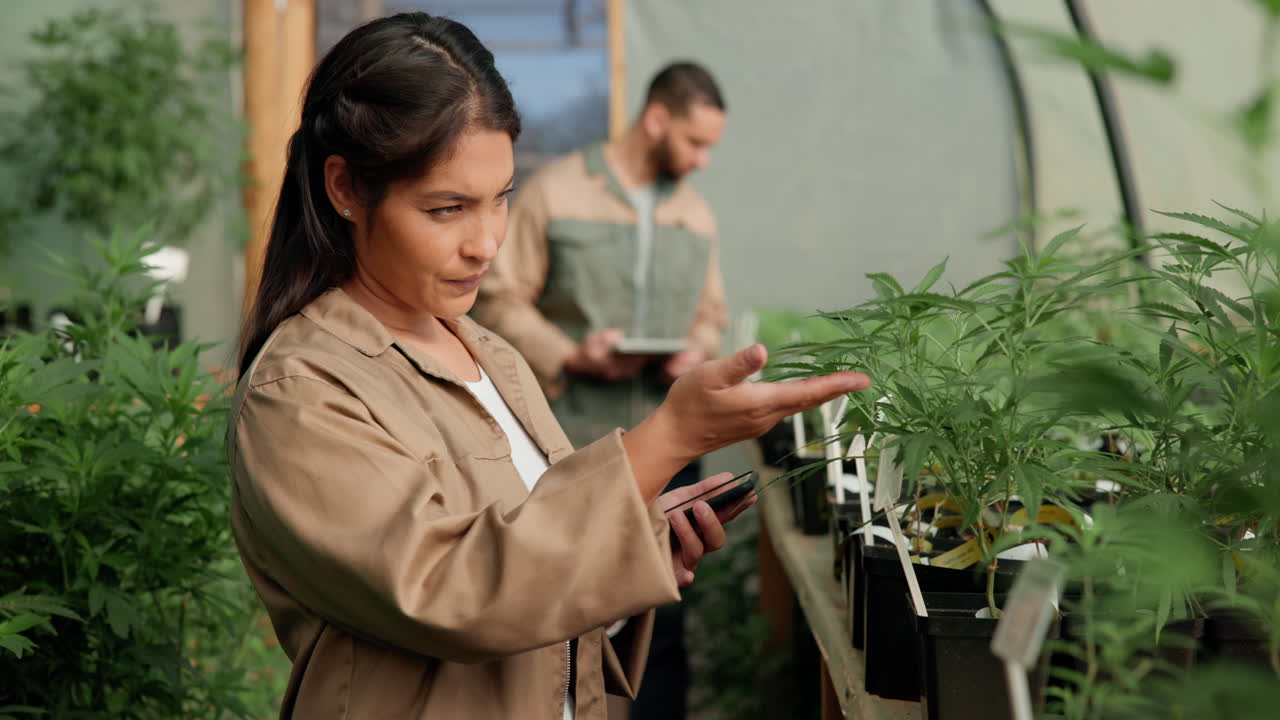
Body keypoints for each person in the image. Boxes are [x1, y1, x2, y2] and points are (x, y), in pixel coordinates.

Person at [230, 13, 869, 720]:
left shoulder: (492, 355)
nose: (487, 243)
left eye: (501, 198)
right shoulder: (302, 388)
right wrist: (670, 437)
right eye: (447, 208)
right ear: (346, 189)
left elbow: (532, 578)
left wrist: (626, 547)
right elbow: (451, 591)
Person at [472, 61, 729, 718]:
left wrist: (696, 349)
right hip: (571, 444)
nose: (702, 161)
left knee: (664, 610)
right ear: (656, 118)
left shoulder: (695, 214)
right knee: (563, 609)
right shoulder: (555, 192)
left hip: (669, 442)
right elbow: (498, 299)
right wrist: (570, 355)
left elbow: (711, 315)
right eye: (695, 143)